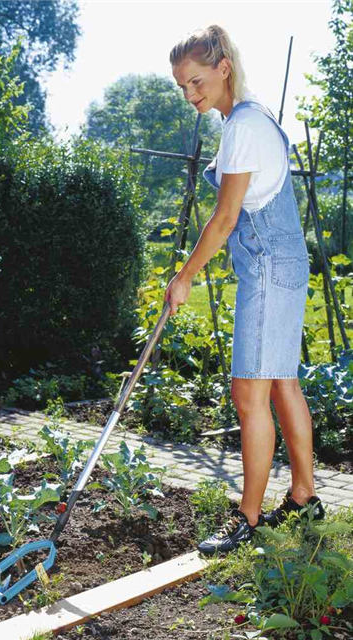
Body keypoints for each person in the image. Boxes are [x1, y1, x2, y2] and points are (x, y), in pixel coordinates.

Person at [166, 24, 325, 555]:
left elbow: (226, 217)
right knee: (282, 384)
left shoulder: (242, 127)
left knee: (249, 395)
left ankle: (247, 519)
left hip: (268, 271)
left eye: (195, 82)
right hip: (283, 263)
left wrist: (184, 276)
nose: (191, 95)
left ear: (222, 68)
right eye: (182, 87)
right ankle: (304, 495)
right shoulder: (256, 118)